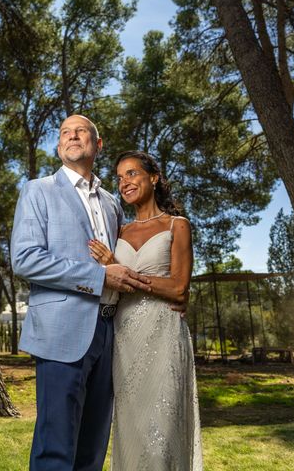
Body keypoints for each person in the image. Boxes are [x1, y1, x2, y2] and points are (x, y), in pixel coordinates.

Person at [11, 115, 156, 470]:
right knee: (55, 449)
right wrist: (98, 277)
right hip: (62, 332)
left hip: (110, 333)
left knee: (92, 451)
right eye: (64, 133)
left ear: (97, 143)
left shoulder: (111, 203)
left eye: (80, 131)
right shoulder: (37, 190)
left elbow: (121, 263)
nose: (72, 136)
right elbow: (25, 260)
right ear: (59, 146)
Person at [88, 150, 203, 470]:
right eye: (120, 177)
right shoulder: (118, 233)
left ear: (153, 177)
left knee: (164, 427)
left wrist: (121, 271)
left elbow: (179, 287)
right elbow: (109, 281)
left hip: (165, 331)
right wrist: (113, 270)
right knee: (131, 426)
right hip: (124, 338)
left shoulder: (178, 225)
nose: (124, 182)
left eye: (132, 174)